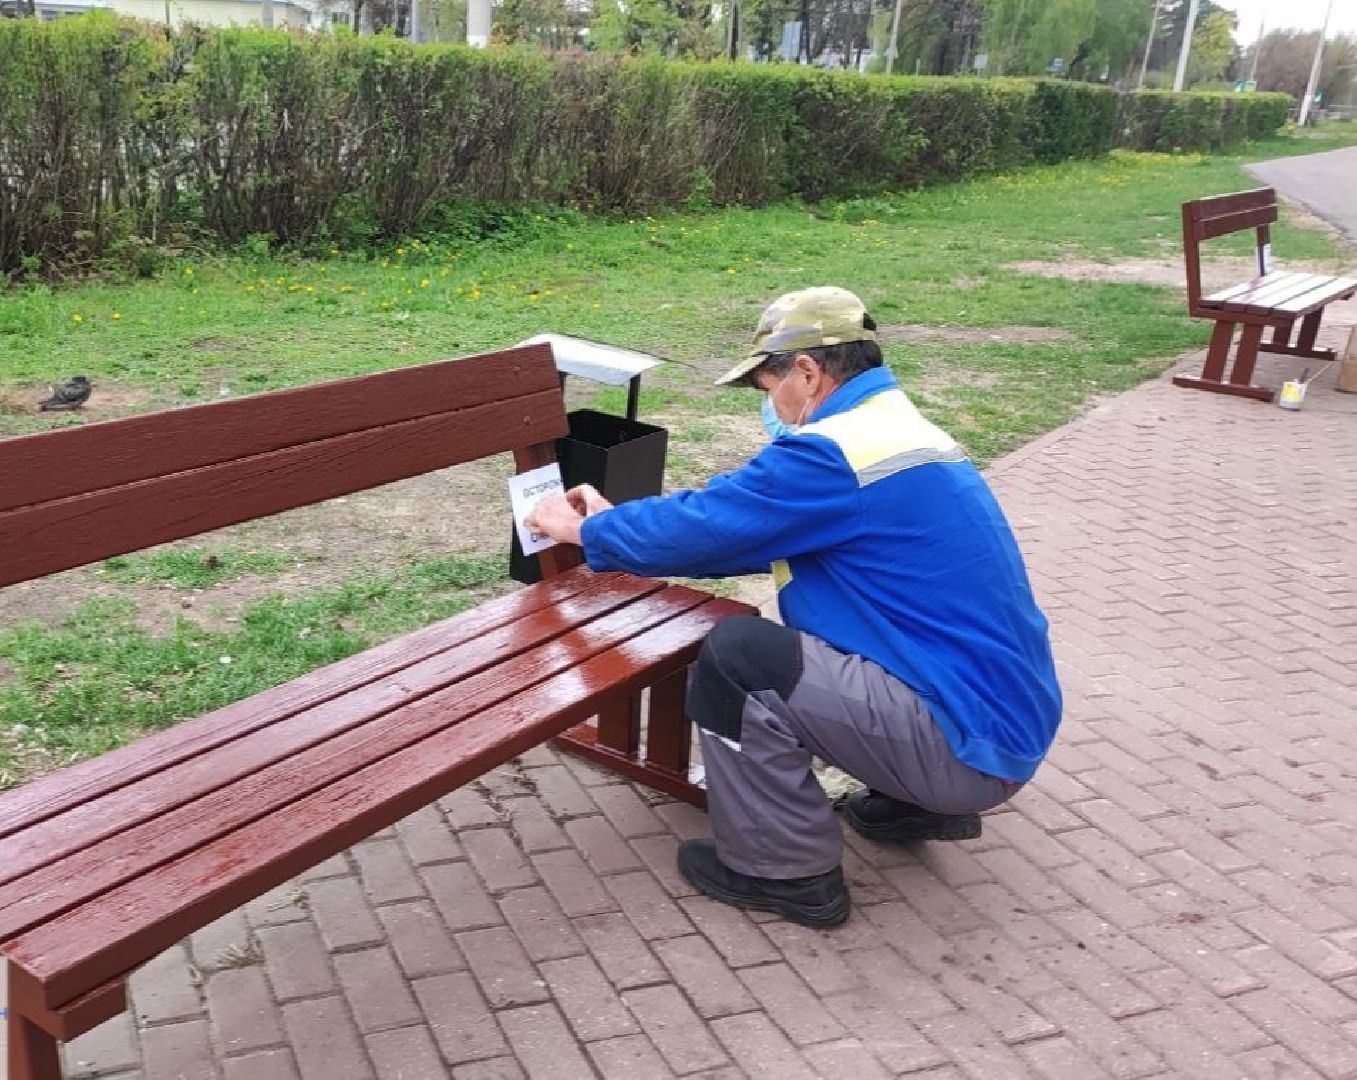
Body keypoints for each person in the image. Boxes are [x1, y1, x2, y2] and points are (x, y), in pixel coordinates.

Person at [526, 286, 1061, 928]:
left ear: (806, 372)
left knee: (738, 659)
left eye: (765, 384)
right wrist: (621, 527)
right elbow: (753, 534)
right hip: (1002, 726)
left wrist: (585, 532)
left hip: (959, 745)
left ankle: (784, 871)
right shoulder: (898, 432)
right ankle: (914, 802)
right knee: (816, 650)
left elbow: (712, 523)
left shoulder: (833, 454)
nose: (769, 404)